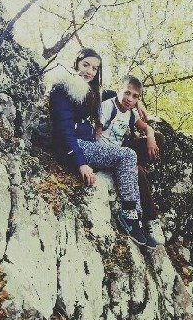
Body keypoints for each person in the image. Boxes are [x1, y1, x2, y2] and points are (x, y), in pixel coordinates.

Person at [48, 48, 155, 248]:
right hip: (72, 147)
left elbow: (111, 94)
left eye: (95, 68)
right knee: (127, 155)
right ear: (76, 63)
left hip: (87, 144)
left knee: (132, 161)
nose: (89, 71)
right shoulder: (61, 89)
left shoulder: (89, 89)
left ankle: (137, 218)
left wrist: (136, 104)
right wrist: (81, 163)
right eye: (85, 65)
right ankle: (129, 215)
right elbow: (64, 131)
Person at [100, 76, 164, 245]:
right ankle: (150, 219)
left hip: (123, 150)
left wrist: (150, 137)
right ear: (118, 90)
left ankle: (135, 170)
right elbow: (96, 134)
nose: (130, 99)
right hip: (110, 154)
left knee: (158, 138)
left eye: (135, 96)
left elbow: (147, 127)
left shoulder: (131, 113)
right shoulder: (107, 103)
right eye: (127, 93)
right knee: (138, 171)